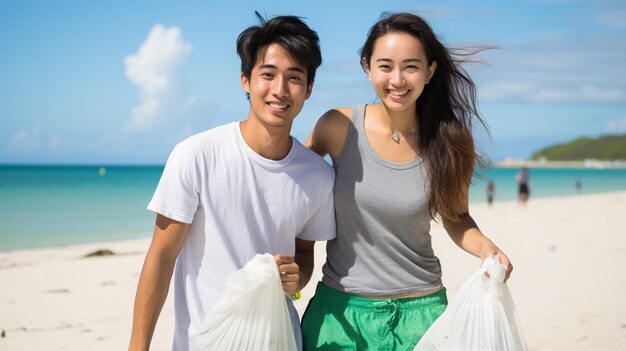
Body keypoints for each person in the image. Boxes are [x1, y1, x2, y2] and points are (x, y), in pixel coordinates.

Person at [301, 12, 513, 350]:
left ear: (429, 71)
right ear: (367, 66)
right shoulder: (337, 127)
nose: (397, 79)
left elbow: (456, 217)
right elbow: (293, 187)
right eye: (385, 66)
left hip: (422, 314)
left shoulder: (451, 140)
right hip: (340, 313)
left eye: (410, 67)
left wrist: (487, 248)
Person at [128, 13, 336, 351]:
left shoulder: (318, 176)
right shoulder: (196, 155)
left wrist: (297, 280)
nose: (279, 90)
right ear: (245, 80)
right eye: (267, 75)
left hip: (280, 341)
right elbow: (161, 258)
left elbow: (303, 253)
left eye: (294, 77)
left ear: (309, 88)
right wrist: (138, 347)